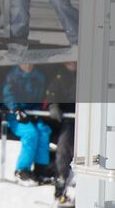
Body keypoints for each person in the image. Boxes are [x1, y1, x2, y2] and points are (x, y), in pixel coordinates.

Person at [4, 62, 55, 185]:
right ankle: (22, 169)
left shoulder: (39, 76)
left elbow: (43, 95)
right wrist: (15, 109)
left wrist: (42, 108)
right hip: (17, 115)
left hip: (34, 113)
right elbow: (7, 95)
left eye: (30, 63)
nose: (27, 66)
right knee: (30, 134)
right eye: (24, 63)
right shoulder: (12, 76)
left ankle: (41, 169)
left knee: (43, 131)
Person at [46, 61, 77, 203]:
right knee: (63, 149)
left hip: (89, 119)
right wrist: (53, 105)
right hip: (69, 119)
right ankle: (61, 186)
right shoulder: (60, 76)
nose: (72, 64)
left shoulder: (89, 74)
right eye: (69, 62)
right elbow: (51, 92)